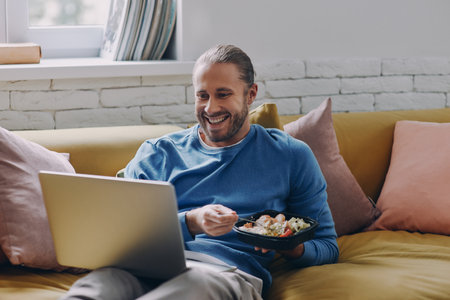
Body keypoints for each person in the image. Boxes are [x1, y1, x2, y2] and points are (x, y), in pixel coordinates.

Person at [62, 44, 338, 300]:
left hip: (225, 274)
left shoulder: (290, 155)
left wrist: (291, 246)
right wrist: (191, 221)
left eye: (223, 94)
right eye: (202, 95)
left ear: (250, 94)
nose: (211, 108)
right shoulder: (158, 153)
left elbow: (327, 246)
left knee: (192, 290)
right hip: (143, 267)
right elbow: (119, 232)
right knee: (96, 287)